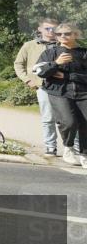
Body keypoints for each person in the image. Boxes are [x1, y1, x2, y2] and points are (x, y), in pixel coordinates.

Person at [35, 23, 87, 167]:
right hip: (59, 92)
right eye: (59, 34)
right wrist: (56, 63)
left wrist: (67, 76)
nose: (62, 36)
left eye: (67, 33)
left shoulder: (83, 53)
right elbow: (40, 72)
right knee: (68, 122)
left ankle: (84, 154)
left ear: (76, 35)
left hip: (83, 92)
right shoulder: (50, 52)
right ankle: (68, 147)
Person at [14, 19, 61, 155]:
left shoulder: (63, 43)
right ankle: (50, 146)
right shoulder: (29, 45)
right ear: (39, 29)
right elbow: (18, 64)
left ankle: (75, 148)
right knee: (48, 117)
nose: (50, 32)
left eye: (53, 29)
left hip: (63, 86)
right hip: (42, 86)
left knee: (67, 118)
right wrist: (27, 80)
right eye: (47, 28)